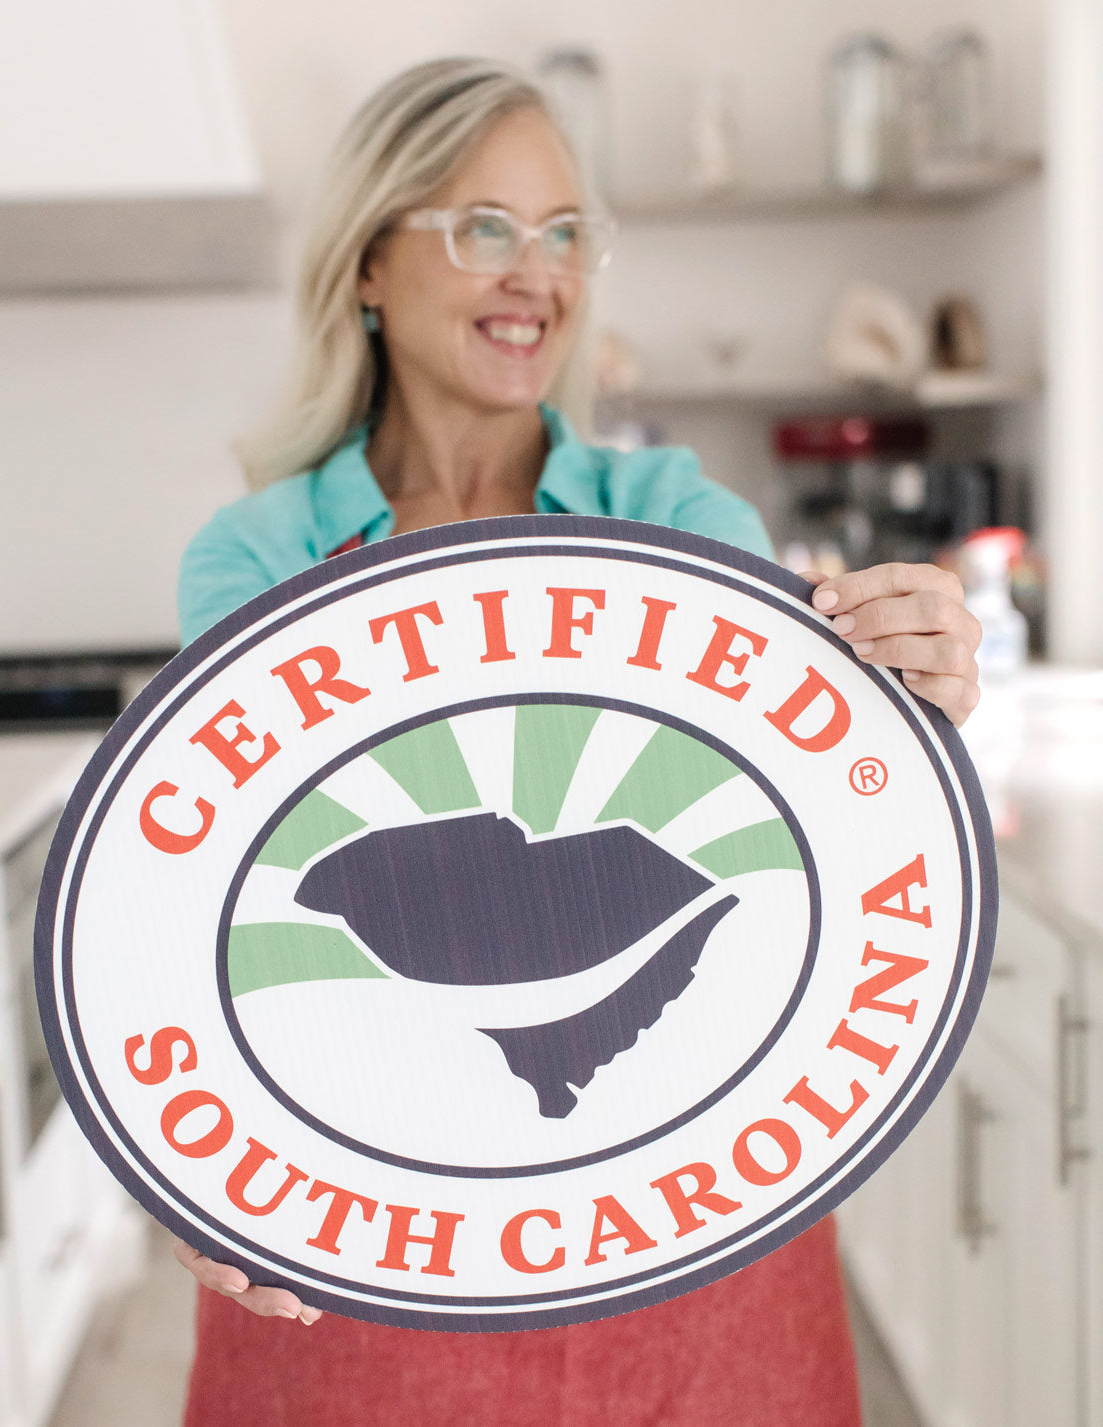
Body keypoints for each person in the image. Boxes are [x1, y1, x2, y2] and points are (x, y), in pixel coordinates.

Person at [175, 56, 981, 1427]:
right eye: (486, 227)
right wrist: (186, 1162)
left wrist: (906, 694)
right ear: (369, 263)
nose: (537, 275)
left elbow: (798, 816)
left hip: (687, 1202)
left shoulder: (674, 521)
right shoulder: (259, 558)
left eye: (564, 234)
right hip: (373, 1219)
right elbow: (211, 904)